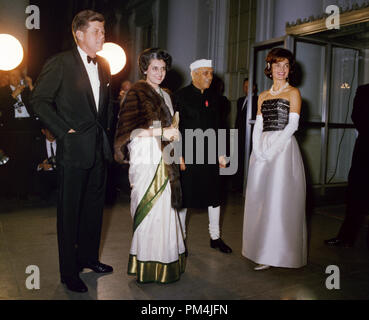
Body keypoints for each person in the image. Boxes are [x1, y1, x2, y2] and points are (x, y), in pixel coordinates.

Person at [30, 10, 114, 293]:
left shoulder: (104, 65)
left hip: (98, 150)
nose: (102, 36)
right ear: (79, 34)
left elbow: (105, 108)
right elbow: (39, 100)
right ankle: (69, 272)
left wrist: (109, 138)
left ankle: (89, 258)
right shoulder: (60, 62)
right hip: (73, 150)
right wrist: (64, 131)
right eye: (96, 32)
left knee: (93, 210)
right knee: (69, 214)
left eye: (103, 31)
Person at [114, 48, 185, 284]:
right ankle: (146, 263)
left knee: (166, 210)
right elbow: (129, 131)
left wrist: (177, 148)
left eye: (163, 68)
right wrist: (162, 131)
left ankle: (166, 260)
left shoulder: (166, 95)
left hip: (165, 155)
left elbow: (173, 129)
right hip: (145, 155)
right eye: (155, 68)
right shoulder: (135, 92)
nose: (160, 72)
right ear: (145, 68)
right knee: (149, 209)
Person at [242, 48, 307, 271]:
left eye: (286, 65)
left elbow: (293, 126)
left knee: (279, 202)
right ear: (269, 68)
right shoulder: (263, 96)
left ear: (290, 69)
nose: (281, 70)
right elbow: (258, 125)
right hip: (262, 149)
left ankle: (277, 253)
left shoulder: (293, 93)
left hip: (283, 149)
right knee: (260, 199)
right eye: (277, 65)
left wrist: (272, 151)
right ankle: (261, 249)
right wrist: (258, 150)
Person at [175, 59, 232, 254]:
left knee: (214, 196)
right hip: (188, 155)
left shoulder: (217, 98)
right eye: (205, 73)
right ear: (194, 75)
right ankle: (181, 240)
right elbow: (175, 128)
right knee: (185, 198)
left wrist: (223, 154)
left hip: (211, 155)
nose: (210, 77)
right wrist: (178, 155)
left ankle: (215, 237)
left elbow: (221, 126)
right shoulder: (180, 97)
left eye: (211, 73)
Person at [325, 83, 369, 249]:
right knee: (355, 193)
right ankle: (346, 237)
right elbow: (356, 116)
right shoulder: (364, 90)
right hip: (365, 149)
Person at [0, 68, 38, 198]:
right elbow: (3, 108)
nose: (15, 78)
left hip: (27, 128)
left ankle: (26, 191)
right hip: (12, 130)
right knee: (13, 161)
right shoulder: (3, 91)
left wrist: (31, 85)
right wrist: (13, 95)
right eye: (12, 75)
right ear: (8, 77)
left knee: (27, 160)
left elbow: (38, 104)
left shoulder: (26, 91)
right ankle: (12, 192)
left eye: (17, 75)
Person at [234, 78, 258, 192]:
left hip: (251, 136)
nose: (246, 88)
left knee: (250, 161)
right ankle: (238, 185)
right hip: (240, 136)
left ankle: (249, 186)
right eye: (245, 86)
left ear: (254, 88)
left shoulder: (258, 100)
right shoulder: (240, 100)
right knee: (239, 160)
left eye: (249, 86)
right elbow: (238, 119)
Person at [33, 126, 58, 202]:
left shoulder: (63, 144)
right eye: (49, 130)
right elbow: (30, 162)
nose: (52, 132)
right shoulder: (37, 145)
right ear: (43, 131)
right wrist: (41, 165)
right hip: (44, 176)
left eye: (53, 129)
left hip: (60, 174)